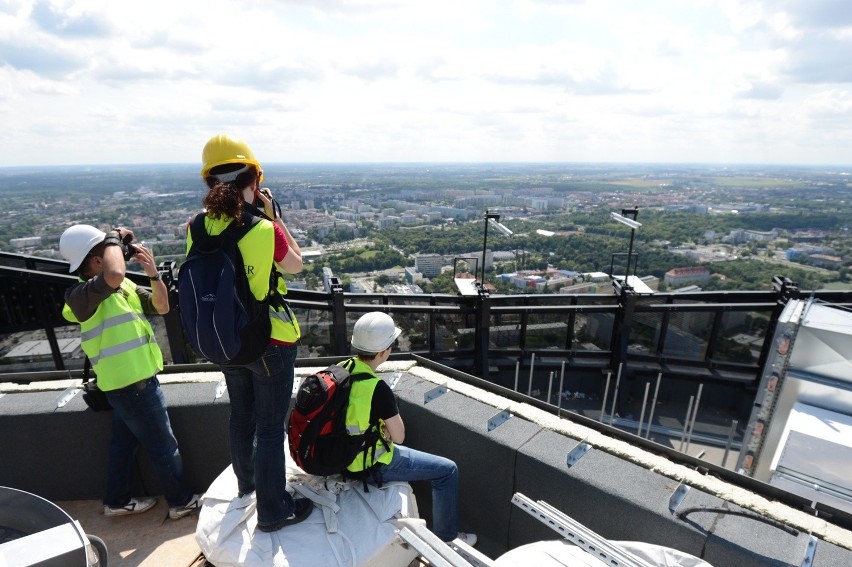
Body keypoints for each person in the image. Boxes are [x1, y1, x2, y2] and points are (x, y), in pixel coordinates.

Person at [191, 134, 310, 532]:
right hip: (268, 341)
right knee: (270, 427)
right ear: (255, 180)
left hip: (225, 339)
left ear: (210, 183)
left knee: (241, 416)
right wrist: (275, 217)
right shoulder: (263, 229)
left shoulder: (194, 227)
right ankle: (274, 510)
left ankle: (248, 487)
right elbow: (296, 266)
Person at [59, 224, 202, 519]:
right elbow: (113, 275)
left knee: (124, 444)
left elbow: (161, 306)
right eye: (111, 251)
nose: (119, 255)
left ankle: (116, 500)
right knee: (164, 445)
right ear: (97, 260)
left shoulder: (121, 288)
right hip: (132, 384)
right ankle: (181, 501)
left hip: (131, 381)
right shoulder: (79, 296)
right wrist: (113, 235)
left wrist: (153, 273)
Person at [341, 311, 477, 546]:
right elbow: (400, 437)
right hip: (368, 465)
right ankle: (447, 539)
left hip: (340, 458)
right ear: (384, 351)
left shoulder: (341, 369)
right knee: (447, 471)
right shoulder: (377, 388)